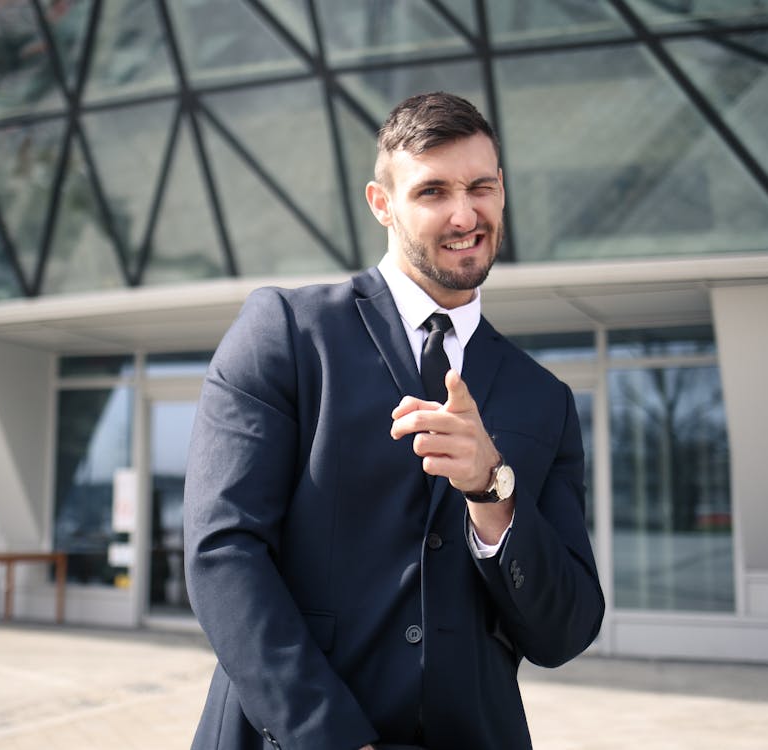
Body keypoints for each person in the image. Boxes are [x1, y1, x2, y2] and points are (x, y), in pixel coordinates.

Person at [184, 91, 604, 750]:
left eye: (481, 187)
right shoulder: (286, 333)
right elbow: (222, 555)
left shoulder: (541, 396)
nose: (465, 213)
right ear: (382, 204)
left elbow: (565, 630)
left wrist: (492, 492)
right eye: (432, 191)